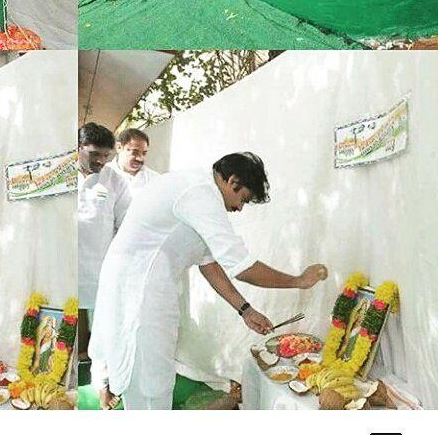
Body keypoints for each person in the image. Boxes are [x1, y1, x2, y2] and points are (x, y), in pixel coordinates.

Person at [89, 152, 328, 410]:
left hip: (143, 289)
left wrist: (245, 310)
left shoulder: (197, 190)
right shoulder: (201, 193)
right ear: (233, 181)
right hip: (139, 294)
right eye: (243, 199)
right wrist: (298, 280)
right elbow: (242, 266)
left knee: (154, 378)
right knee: (150, 383)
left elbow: (209, 264)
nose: (239, 208)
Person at [77, 122, 132, 404]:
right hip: (68, 271)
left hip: (103, 272)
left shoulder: (115, 181)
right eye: (94, 154)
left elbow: (126, 228)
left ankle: (103, 387)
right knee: (61, 330)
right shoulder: (59, 176)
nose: (100, 161)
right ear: (78, 148)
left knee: (105, 332)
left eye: (105, 156)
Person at [105, 127, 158, 195]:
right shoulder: (103, 175)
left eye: (144, 153)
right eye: (135, 152)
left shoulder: (155, 179)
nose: (140, 158)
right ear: (119, 147)